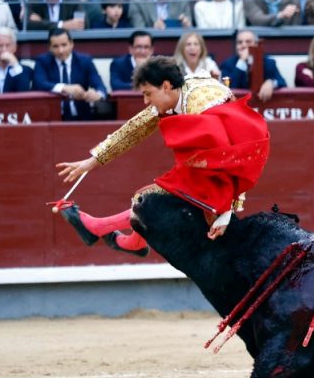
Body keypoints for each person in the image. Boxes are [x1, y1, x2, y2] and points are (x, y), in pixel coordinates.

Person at [55, 56, 270, 253]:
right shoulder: (174, 95)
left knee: (156, 196)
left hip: (243, 156)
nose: (146, 101)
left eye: (148, 94)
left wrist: (226, 212)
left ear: (166, 86)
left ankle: (102, 229)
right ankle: (130, 242)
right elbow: (133, 130)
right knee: (155, 195)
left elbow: (236, 154)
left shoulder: (200, 103)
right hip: (218, 160)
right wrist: (91, 162)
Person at [33, 28, 108, 121]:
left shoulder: (85, 61)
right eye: (55, 46)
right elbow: (39, 83)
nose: (61, 50)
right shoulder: (42, 61)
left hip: (82, 118)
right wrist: (65, 88)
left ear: (71, 44)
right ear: (49, 47)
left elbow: (100, 86)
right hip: (51, 119)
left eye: (64, 45)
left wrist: (97, 94)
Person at [220, 29, 286, 101]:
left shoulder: (268, 62)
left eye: (248, 42)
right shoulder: (227, 64)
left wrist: (271, 83)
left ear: (256, 45)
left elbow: (282, 82)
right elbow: (228, 88)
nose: (244, 45)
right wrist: (241, 62)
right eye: (240, 42)